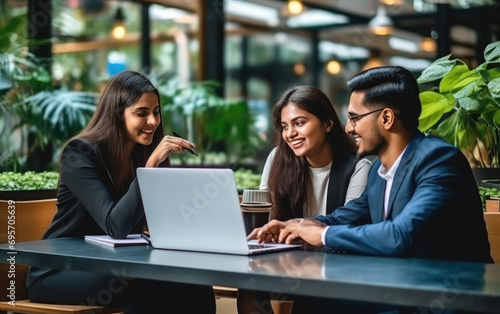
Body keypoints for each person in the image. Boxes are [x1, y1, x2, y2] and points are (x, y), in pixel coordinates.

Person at [249, 66, 492, 313]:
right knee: (311, 300)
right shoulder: (379, 173)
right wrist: (294, 226)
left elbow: (400, 235)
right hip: (402, 290)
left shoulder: (438, 159)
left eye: (354, 118)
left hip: (445, 298)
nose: (348, 128)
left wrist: (322, 235)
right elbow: (341, 217)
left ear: (386, 118)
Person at [27, 71, 216, 313]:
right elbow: (115, 227)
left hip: (116, 265)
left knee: (195, 282)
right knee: (151, 284)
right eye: (142, 113)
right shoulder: (79, 153)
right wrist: (150, 170)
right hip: (60, 272)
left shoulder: (142, 154)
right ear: (117, 114)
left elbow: (162, 223)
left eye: (156, 112)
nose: (153, 121)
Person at [238, 86, 373, 314]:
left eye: (299, 123)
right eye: (284, 127)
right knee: (249, 287)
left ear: (328, 124)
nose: (290, 133)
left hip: (333, 265)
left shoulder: (359, 166)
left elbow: (349, 224)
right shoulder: (278, 159)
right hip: (285, 261)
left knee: (311, 298)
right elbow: (266, 216)